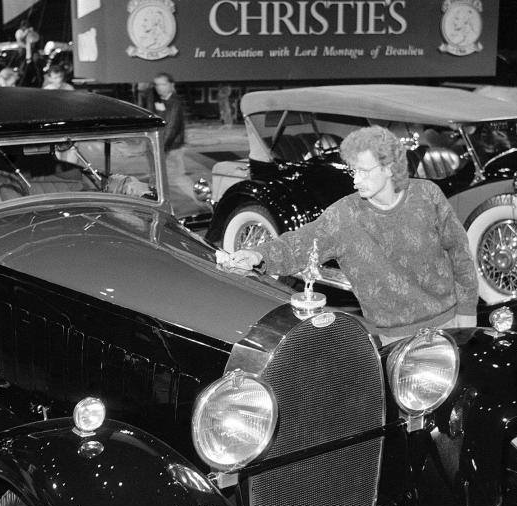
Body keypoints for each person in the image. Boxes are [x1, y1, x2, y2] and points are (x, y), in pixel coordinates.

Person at [225, 125, 478, 344]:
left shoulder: (427, 195)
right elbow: (299, 244)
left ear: (390, 168)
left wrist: (467, 313)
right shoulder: (344, 215)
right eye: (353, 171)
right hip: (395, 338)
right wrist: (257, 254)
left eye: (365, 171)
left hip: (452, 322)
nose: (356, 180)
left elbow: (459, 253)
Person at [150, 72, 193, 200]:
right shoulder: (161, 100)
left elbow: (172, 127)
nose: (159, 87)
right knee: (160, 178)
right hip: (165, 146)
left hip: (172, 147)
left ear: (171, 85)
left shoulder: (175, 102)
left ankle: (202, 202)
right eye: (157, 84)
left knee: (178, 177)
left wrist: (161, 147)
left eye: (163, 84)